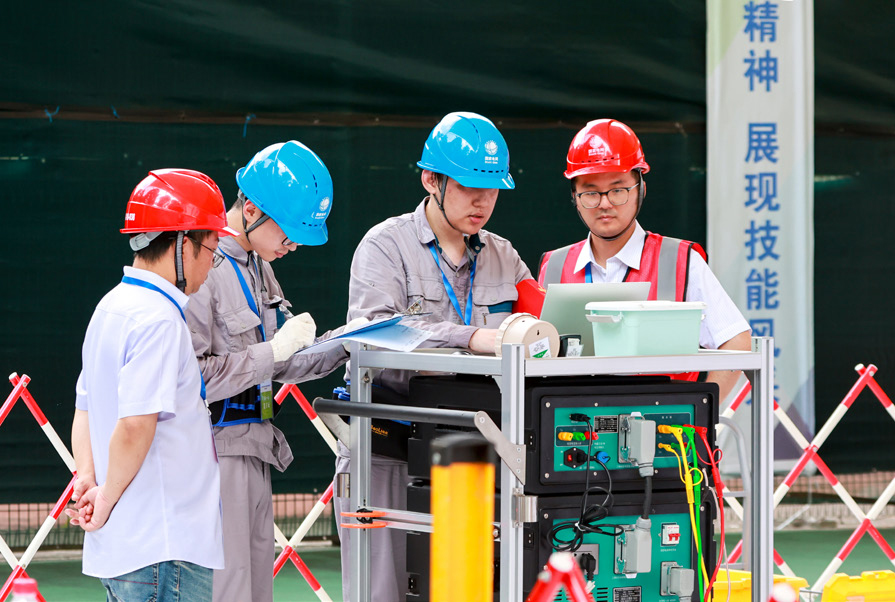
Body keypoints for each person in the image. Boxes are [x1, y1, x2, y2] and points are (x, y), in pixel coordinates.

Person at [336, 111, 531, 600]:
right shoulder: (385, 246)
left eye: (492, 190)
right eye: (468, 187)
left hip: (473, 453)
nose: (482, 201)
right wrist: (472, 337)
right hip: (387, 449)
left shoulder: (504, 256)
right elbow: (375, 334)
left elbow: (534, 328)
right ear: (431, 180)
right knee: (382, 590)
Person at [185, 140, 366, 602]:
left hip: (255, 446)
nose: (293, 245)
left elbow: (287, 362)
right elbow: (194, 379)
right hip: (214, 451)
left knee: (256, 590)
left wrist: (350, 340)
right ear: (250, 209)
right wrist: (272, 352)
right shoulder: (204, 269)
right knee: (228, 591)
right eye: (288, 233)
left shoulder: (258, 266)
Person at [66, 169, 237, 601]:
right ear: (183, 244)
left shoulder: (110, 307)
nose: (210, 266)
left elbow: (85, 408)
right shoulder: (159, 320)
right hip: (164, 546)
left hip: (130, 543)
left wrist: (88, 479)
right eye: (212, 250)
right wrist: (105, 497)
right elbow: (135, 425)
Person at [537, 118, 751, 399]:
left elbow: (736, 340)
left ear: (641, 189)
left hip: (662, 421)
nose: (604, 203)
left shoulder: (680, 261)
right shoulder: (553, 266)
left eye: (617, 190)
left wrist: (700, 411)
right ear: (575, 197)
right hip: (572, 422)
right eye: (591, 192)